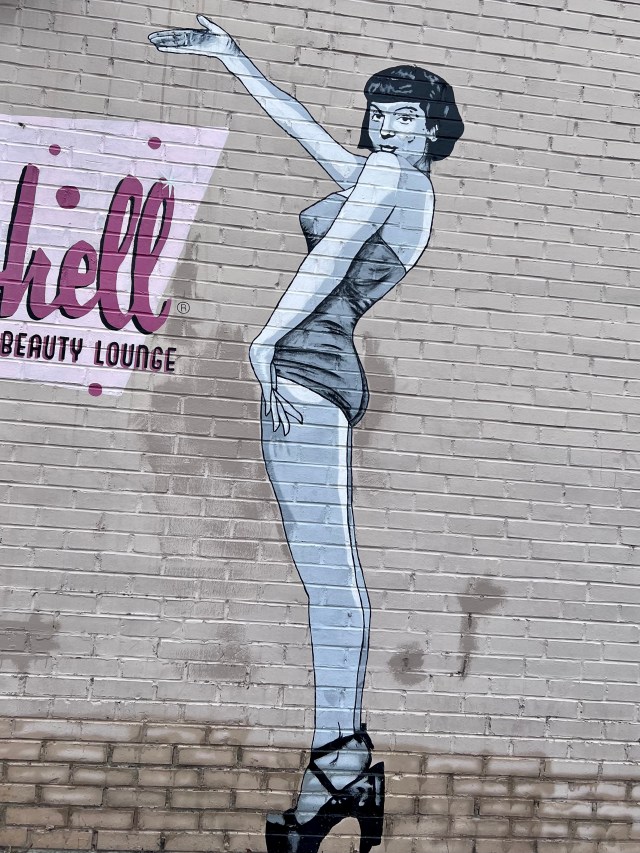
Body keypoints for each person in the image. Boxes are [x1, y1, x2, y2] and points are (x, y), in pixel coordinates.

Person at [149, 16, 464, 853]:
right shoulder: (395, 183)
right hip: (325, 369)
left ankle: (338, 761)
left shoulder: (389, 182)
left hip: (306, 369)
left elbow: (328, 261)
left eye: (406, 117)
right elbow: (303, 128)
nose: (389, 128)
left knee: (328, 570)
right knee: (329, 567)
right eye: (381, 115)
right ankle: (345, 760)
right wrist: (234, 60)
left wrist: (263, 341)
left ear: (434, 126)